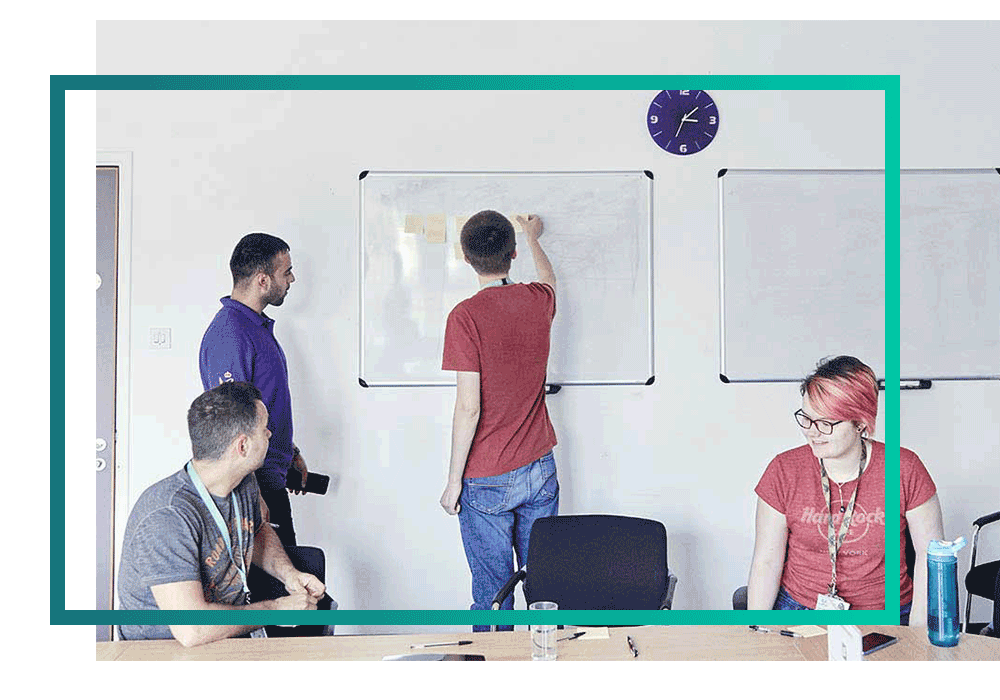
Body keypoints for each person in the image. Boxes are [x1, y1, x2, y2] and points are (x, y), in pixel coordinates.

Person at [117, 382, 325, 646]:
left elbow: (255, 530)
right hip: (164, 652)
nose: (270, 434)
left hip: (226, 636)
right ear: (243, 446)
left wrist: (289, 575)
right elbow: (192, 630)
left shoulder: (244, 481)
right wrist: (277, 609)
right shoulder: (166, 516)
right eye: (264, 430)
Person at [747, 356, 945, 624]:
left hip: (887, 615)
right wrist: (757, 629)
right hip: (799, 610)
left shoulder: (904, 469)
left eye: (826, 423)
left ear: (860, 422)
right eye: (807, 419)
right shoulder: (784, 470)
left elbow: (930, 558)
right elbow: (766, 562)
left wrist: (918, 635)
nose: (812, 433)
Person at [440, 211, 560, 631]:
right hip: (540, 467)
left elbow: (469, 407)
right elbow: (549, 279)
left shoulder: (465, 316)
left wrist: (454, 480)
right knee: (545, 591)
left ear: (465, 257)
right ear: (511, 252)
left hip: (486, 475)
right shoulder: (537, 300)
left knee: (493, 594)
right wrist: (533, 237)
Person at [199, 232, 308, 548]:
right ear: (263, 280)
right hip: (252, 490)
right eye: (285, 272)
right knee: (274, 591)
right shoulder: (230, 337)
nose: (292, 279)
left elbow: (262, 407)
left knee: (288, 588)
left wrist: (290, 452)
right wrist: (253, 494)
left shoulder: (256, 328)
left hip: (270, 479)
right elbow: (232, 427)